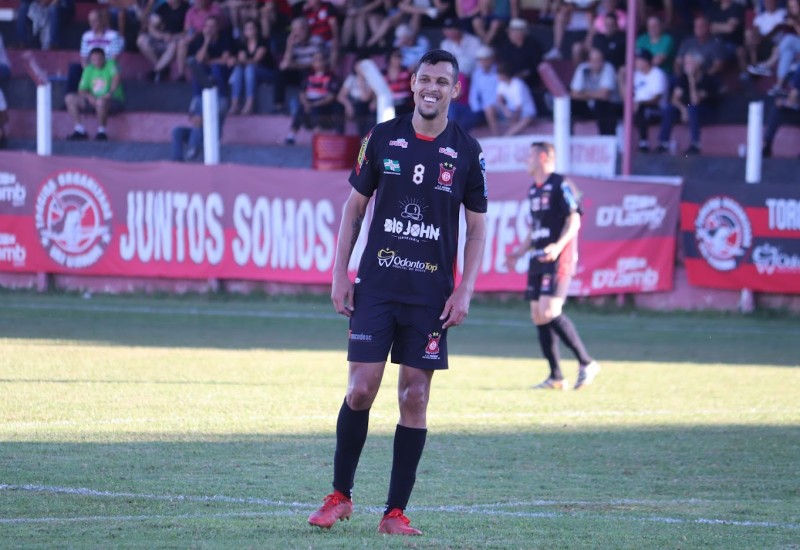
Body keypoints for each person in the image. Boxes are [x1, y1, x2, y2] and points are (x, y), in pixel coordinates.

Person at [307, 48, 488, 536]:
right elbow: (353, 210)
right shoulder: (382, 138)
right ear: (412, 83)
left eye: (442, 82)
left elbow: (476, 229)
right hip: (379, 286)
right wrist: (340, 274)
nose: (432, 88)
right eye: (425, 79)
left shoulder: (467, 151)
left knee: (415, 395)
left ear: (455, 89)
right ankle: (340, 496)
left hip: (430, 296)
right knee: (361, 389)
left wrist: (466, 289)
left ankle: (394, 513)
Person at [505, 141, 599, 391]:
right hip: (538, 257)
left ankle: (586, 362)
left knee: (549, 311)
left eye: (530, 156)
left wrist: (557, 247)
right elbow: (535, 229)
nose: (527, 161)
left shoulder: (562, 184)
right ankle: (556, 376)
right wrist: (518, 253)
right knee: (538, 315)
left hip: (559, 257)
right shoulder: (534, 190)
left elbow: (574, 220)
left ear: (544, 157)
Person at [655, 51, 716, 155]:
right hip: (686, 108)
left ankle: (695, 144)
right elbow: (674, 99)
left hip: (705, 111)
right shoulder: (682, 78)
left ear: (698, 64)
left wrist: (691, 80)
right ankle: (663, 143)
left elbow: (695, 101)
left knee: (692, 108)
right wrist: (683, 110)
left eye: (690, 62)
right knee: (669, 109)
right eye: (686, 63)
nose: (686, 66)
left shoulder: (707, 79)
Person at [64, 47, 125, 141]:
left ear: (104, 58)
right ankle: (80, 130)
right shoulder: (88, 69)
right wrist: (89, 97)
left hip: (113, 100)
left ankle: (102, 132)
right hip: (94, 100)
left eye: (99, 59)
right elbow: (81, 90)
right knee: (69, 98)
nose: (97, 61)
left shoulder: (112, 63)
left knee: (101, 101)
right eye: (93, 59)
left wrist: (109, 93)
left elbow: (117, 78)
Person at [569, 47, 621, 135]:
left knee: (601, 104)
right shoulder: (582, 68)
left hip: (608, 106)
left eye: (599, 60)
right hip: (588, 105)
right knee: (569, 103)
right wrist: (593, 94)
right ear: (588, 61)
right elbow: (573, 93)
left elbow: (604, 95)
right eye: (594, 60)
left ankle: (605, 138)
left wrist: (584, 93)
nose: (597, 63)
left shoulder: (608, 68)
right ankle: (568, 135)